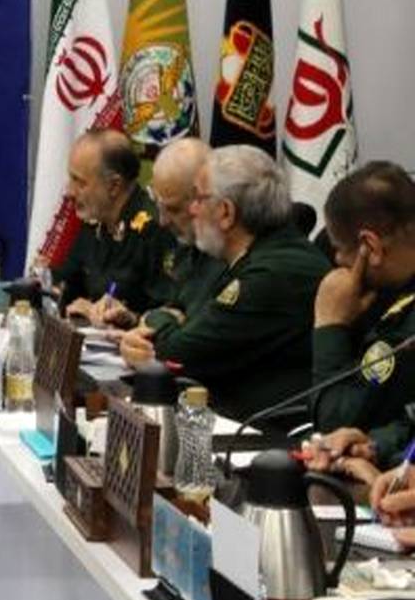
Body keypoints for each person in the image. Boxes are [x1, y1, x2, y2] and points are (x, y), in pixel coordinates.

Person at [117, 145, 329, 421]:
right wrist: (170, 319)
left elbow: (179, 353)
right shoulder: (254, 256)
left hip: (268, 431)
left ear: (226, 212)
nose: (193, 209)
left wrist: (156, 321)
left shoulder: (272, 273)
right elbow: (191, 319)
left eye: (199, 198)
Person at [299, 163, 415, 484]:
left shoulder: (406, 325)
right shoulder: (390, 293)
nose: (338, 262)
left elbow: (334, 420)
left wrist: (329, 324)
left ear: (371, 247)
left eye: (340, 250)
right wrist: (375, 446)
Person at [51, 129, 174, 325]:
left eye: (79, 182)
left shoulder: (153, 229)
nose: (69, 192)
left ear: (114, 186)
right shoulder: (95, 221)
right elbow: (66, 283)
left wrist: (130, 318)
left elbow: (172, 312)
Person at [116, 138, 223, 351]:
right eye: (158, 205)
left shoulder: (227, 254)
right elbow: (169, 311)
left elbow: (193, 339)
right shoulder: (187, 245)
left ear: (203, 199)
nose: (163, 221)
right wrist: (135, 319)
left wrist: (158, 319)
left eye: (174, 209)